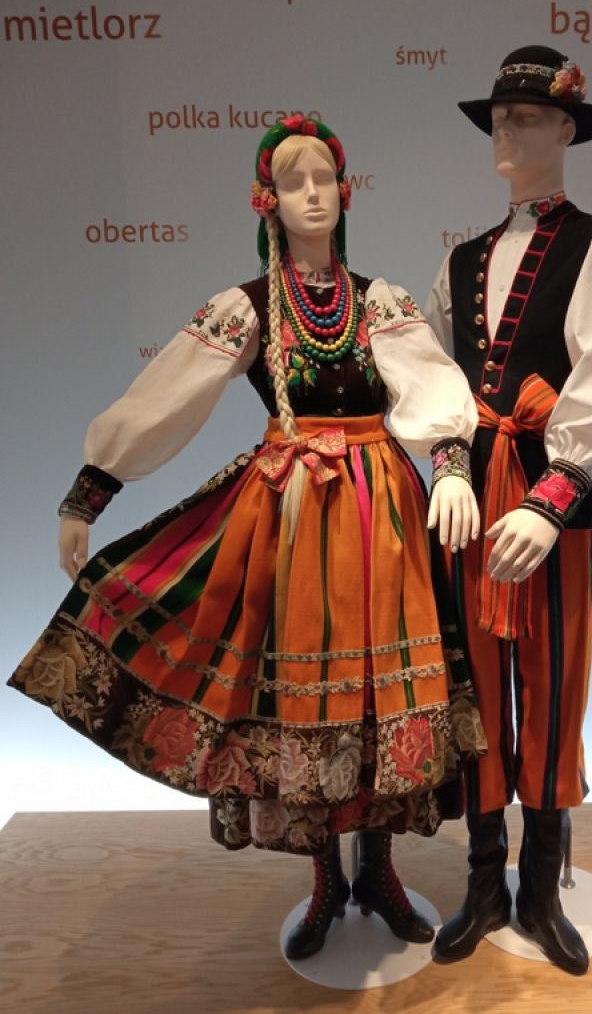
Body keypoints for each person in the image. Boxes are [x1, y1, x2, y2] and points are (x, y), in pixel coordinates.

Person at [7, 114, 487, 961]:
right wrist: (91, 489)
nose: (313, 195)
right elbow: (168, 397)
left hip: (380, 514)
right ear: (268, 200)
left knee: (380, 696)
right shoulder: (250, 308)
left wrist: (450, 463)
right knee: (306, 697)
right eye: (295, 181)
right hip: (297, 518)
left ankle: (377, 869)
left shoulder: (378, 301)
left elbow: (428, 383)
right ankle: (326, 879)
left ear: (345, 191)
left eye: (324, 178)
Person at [425, 46, 592, 974]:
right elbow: (436, 379)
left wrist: (553, 498)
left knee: (555, 686)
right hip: (471, 499)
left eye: (526, 117)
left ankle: (541, 886)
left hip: (554, 497)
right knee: (475, 685)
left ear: (566, 129)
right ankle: (484, 882)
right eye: (499, 117)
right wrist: (448, 465)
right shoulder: (461, 258)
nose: (506, 130)